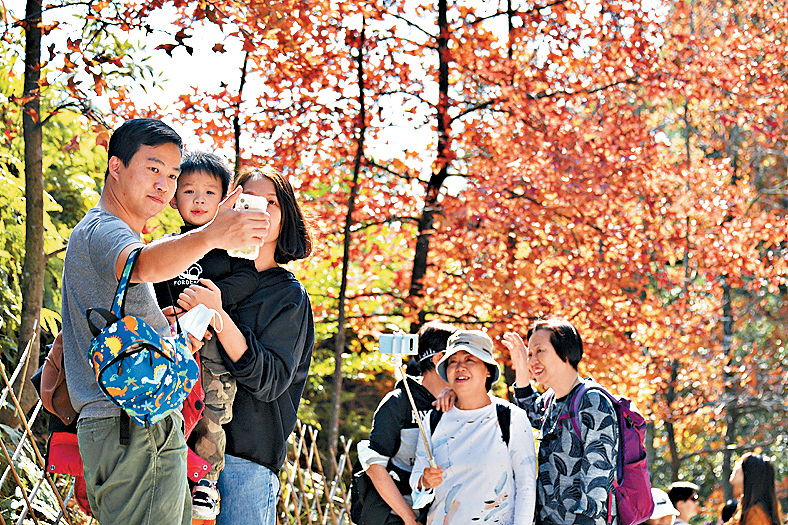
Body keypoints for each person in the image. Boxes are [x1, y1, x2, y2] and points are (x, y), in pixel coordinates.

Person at [61, 119, 269, 525]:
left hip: (127, 426)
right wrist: (211, 234)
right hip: (134, 428)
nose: (164, 184)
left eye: (172, 175)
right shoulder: (104, 230)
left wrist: (176, 336)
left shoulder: (108, 232)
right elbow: (143, 264)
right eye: (153, 168)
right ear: (115, 167)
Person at [177, 167, 314, 525]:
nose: (261, 212)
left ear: (287, 218)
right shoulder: (198, 270)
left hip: (246, 463)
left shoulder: (288, 296)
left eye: (272, 203)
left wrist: (219, 317)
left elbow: (269, 381)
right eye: (249, 201)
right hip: (178, 444)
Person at [152, 151, 260, 520]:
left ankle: (206, 481)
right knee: (173, 408)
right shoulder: (170, 245)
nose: (198, 200)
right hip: (175, 343)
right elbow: (155, 283)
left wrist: (214, 300)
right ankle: (169, 471)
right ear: (173, 197)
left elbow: (247, 279)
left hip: (213, 347)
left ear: (226, 198)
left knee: (213, 411)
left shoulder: (230, 247)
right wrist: (171, 311)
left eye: (209, 193)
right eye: (188, 191)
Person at [410, 330, 537, 525]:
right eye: (453, 361)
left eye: (470, 360)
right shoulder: (433, 420)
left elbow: (526, 486)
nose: (460, 367)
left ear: (488, 370)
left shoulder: (511, 419)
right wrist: (425, 482)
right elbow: (417, 481)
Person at [503, 319, 619, 525]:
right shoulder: (550, 400)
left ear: (566, 352)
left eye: (541, 351)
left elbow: (598, 473)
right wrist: (520, 365)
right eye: (530, 354)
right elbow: (526, 414)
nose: (533, 360)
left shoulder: (592, 400)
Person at [355, 320, 456, 525]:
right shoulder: (398, 403)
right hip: (395, 514)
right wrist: (409, 518)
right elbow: (375, 466)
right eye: (456, 359)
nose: (462, 367)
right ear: (439, 359)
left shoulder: (458, 403)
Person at [726, 453, 783, 525]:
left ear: (749, 474)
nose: (735, 466)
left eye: (740, 463)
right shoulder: (745, 505)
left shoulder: (756, 514)